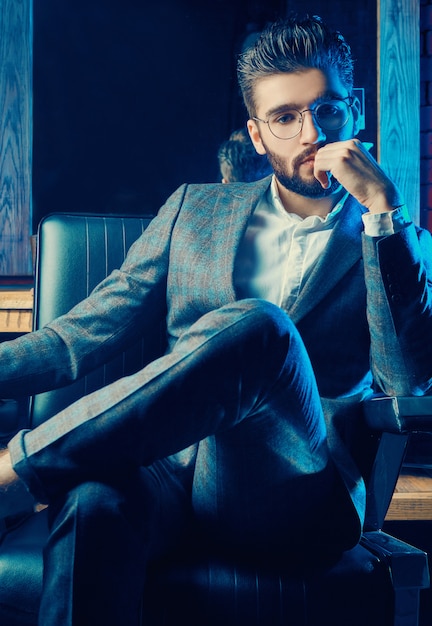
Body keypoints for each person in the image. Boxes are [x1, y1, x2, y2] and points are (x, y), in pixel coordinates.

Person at [1, 13, 432, 626]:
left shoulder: (398, 242)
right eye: (286, 117)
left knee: (262, 329)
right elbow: (80, 337)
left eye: (329, 109)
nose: (313, 131)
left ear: (354, 111)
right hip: (172, 477)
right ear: (258, 135)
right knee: (95, 501)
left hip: (298, 491)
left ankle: (13, 477)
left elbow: (406, 382)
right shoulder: (193, 210)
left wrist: (382, 215)